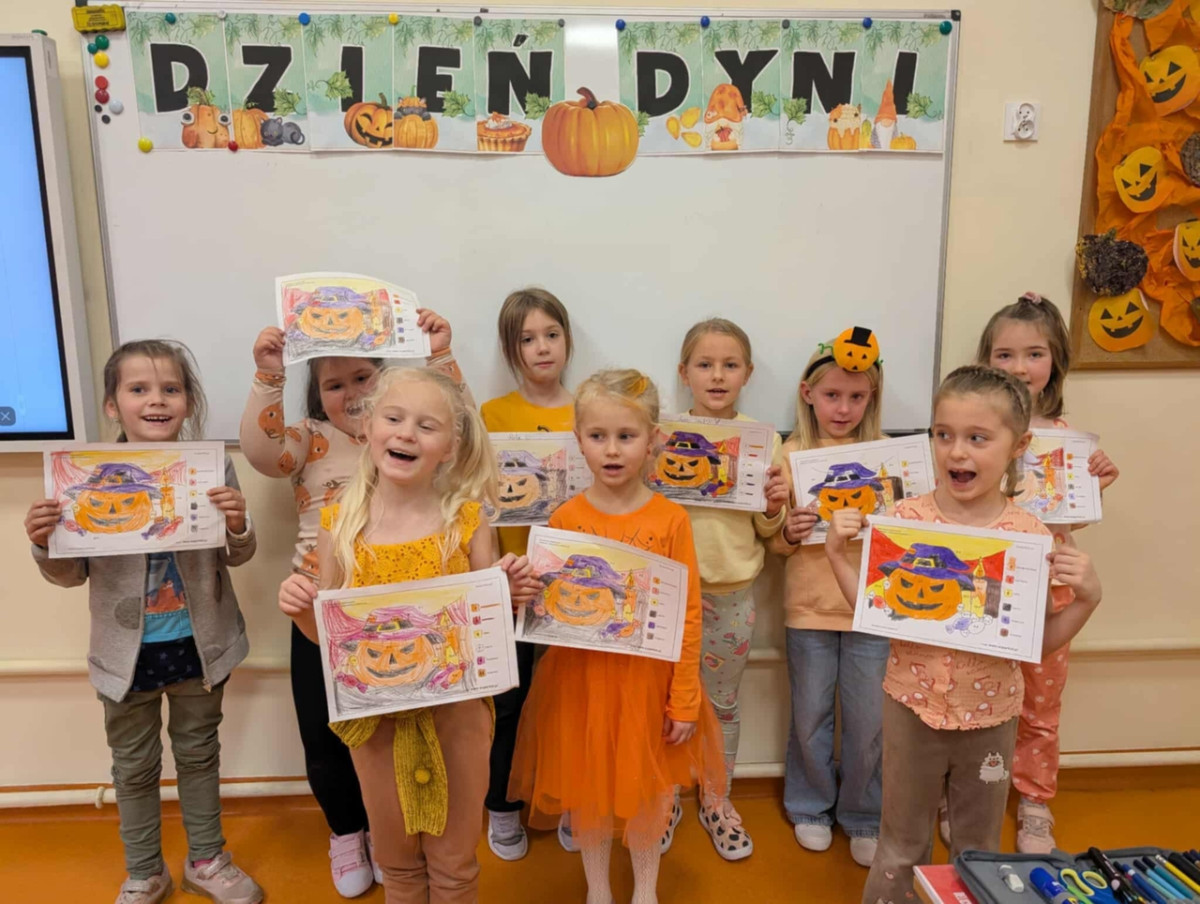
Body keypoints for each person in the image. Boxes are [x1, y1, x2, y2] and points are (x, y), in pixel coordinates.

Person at [26, 340, 262, 904]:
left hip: (201, 645)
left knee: (199, 755)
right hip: (125, 654)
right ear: (113, 405)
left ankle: (206, 860)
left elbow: (237, 556)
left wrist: (239, 524)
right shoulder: (83, 479)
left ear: (188, 402)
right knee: (133, 767)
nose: (157, 400)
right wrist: (44, 542)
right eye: (139, 389)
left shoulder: (210, 467)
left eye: (171, 389)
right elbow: (69, 575)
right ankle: (144, 871)